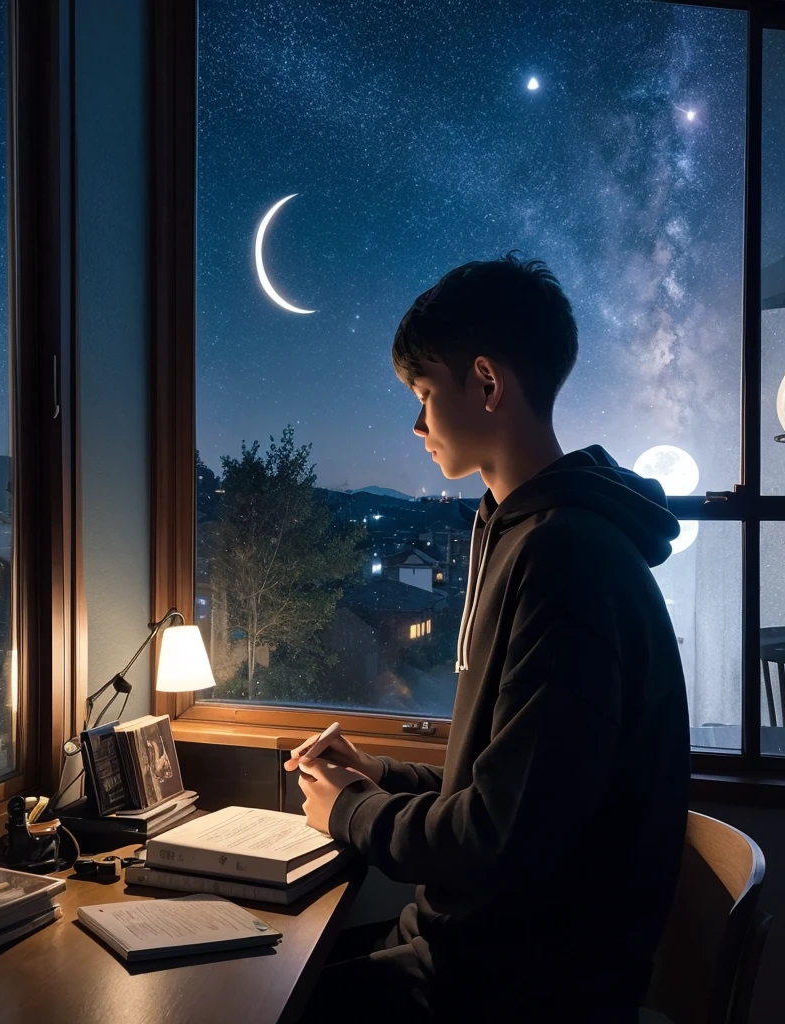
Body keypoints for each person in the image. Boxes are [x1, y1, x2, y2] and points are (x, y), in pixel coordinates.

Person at [286, 253, 690, 1023]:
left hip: (514, 988)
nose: (416, 424)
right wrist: (379, 775)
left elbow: (501, 838)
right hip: (476, 954)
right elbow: (517, 790)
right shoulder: (522, 534)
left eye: (425, 394)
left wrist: (350, 812)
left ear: (488, 382)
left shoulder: (568, 560)